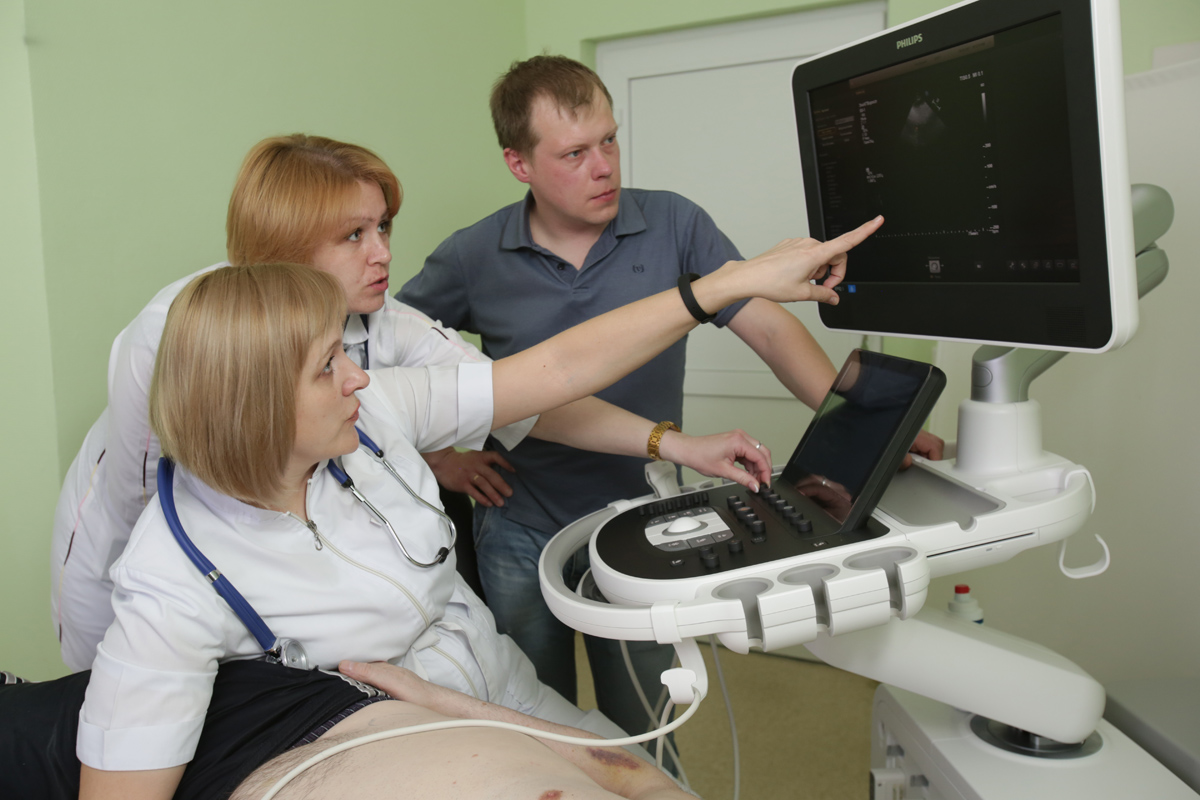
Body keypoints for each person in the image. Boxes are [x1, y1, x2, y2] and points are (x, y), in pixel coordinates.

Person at [77, 227, 877, 798]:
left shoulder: (373, 414)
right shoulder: (171, 586)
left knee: (656, 785)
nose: (358, 377)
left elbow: (554, 369)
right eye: (327, 367)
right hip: (409, 747)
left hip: (500, 681)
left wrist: (723, 287)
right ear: (253, 404)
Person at [398, 55, 945, 734]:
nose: (603, 166)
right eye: (574, 153)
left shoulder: (673, 223)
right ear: (520, 164)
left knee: (649, 724)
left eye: (609, 140)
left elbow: (769, 327)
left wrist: (867, 425)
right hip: (520, 522)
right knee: (531, 722)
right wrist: (442, 460)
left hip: (644, 521)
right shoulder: (471, 256)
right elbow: (393, 359)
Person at [52, 133, 674, 672]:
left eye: (382, 226)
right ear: (284, 248)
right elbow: (140, 501)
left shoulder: (383, 320)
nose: (383, 253)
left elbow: (524, 388)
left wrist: (670, 444)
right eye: (354, 235)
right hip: (128, 567)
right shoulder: (174, 333)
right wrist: (153, 638)